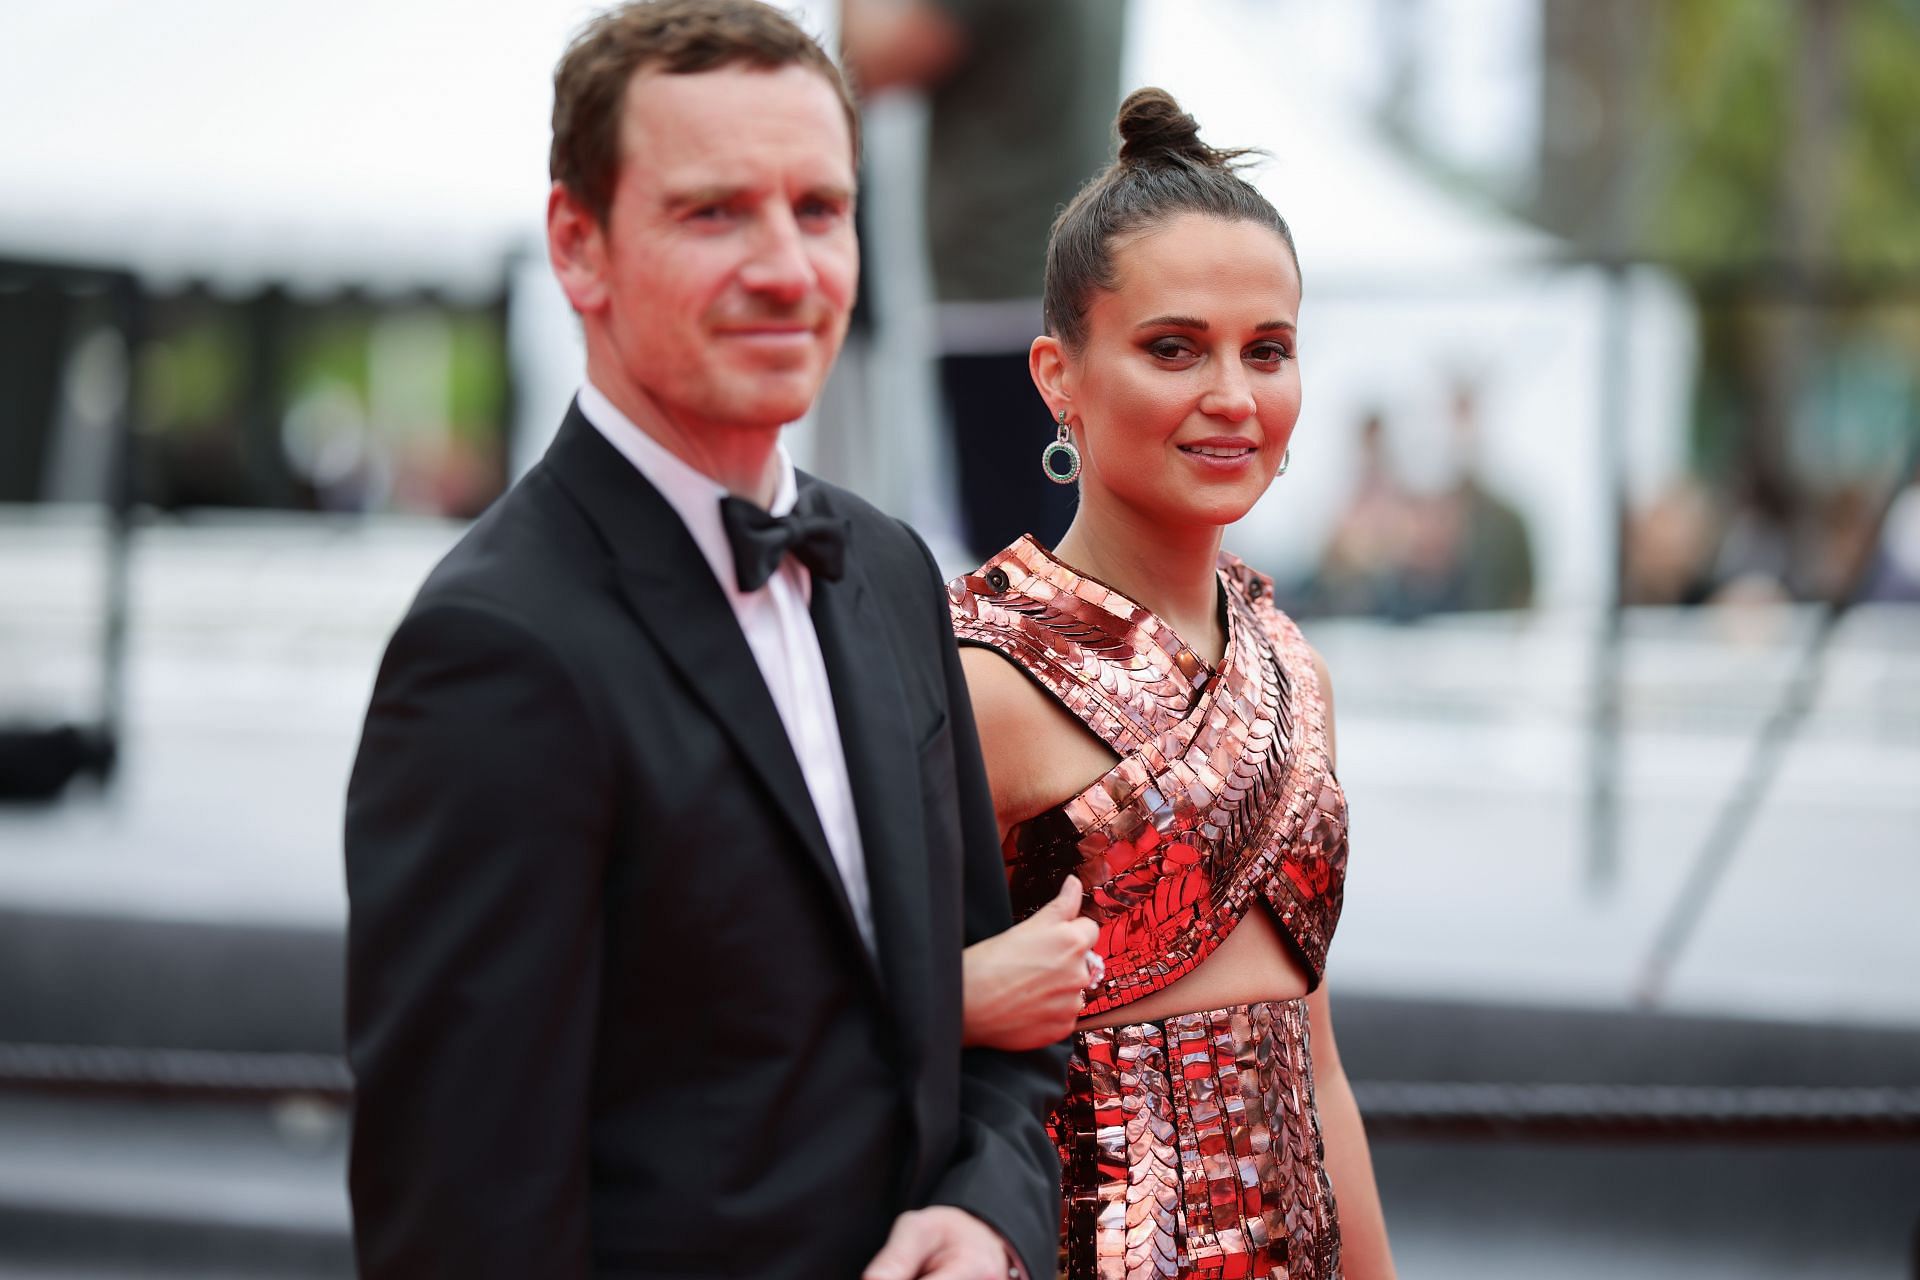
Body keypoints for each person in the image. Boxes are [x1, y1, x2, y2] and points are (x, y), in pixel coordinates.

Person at [342, 4, 1067, 1277]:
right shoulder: (493, 650)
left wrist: (989, 1213)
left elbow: (993, 1008)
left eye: (820, 208)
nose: (788, 266)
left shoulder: (893, 572)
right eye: (715, 211)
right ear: (579, 246)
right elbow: (463, 1211)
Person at [946, 89, 1397, 1278]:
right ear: (1059, 375)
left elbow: (1317, 1061)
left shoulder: (1296, 670)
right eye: (1173, 347)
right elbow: (818, 1008)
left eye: (1269, 350)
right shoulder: (978, 672)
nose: (1233, 397)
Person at [841, 0, 1124, 562]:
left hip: (998, 291)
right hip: (1058, 278)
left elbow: (868, 64)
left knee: (1016, 566)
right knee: (1057, 561)